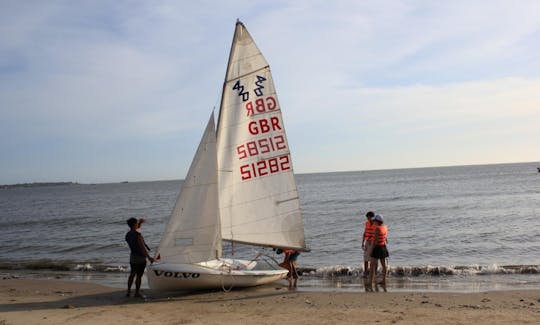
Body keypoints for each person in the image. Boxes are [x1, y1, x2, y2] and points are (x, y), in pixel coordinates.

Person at [125, 217, 154, 298]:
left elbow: (134, 230)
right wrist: (149, 258)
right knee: (139, 276)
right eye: (137, 223)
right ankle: (137, 293)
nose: (137, 224)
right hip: (140, 258)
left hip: (132, 257)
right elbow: (142, 248)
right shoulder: (138, 236)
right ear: (134, 225)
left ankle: (128, 292)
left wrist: (140, 223)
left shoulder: (128, 234)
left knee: (132, 274)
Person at [368, 214, 389, 288]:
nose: (373, 221)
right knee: (384, 265)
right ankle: (384, 280)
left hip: (377, 248)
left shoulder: (377, 229)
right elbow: (386, 238)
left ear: (377, 221)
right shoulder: (385, 227)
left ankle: (370, 282)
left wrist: (371, 250)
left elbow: (375, 241)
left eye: (374, 220)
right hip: (383, 247)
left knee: (372, 266)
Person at [362, 211, 375, 277]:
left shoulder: (376, 224)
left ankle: (372, 273)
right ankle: (365, 272)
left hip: (373, 243)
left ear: (372, 217)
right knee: (365, 258)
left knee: (372, 259)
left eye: (368, 217)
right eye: (367, 218)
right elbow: (364, 233)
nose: (367, 219)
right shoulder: (367, 223)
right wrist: (362, 243)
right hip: (367, 242)